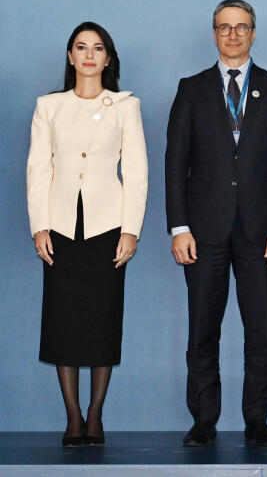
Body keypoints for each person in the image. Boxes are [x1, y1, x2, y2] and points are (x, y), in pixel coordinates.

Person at [165, 0, 267, 447]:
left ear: (253, 33)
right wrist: (179, 227)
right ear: (214, 34)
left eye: (242, 27)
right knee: (202, 330)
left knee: (261, 332)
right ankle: (204, 419)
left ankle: (257, 419)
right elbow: (175, 162)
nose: (233, 35)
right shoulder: (191, 89)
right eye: (225, 27)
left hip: (262, 233)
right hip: (203, 232)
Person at [27, 22, 148, 447]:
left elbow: (136, 171)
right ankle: (72, 416)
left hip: (107, 226)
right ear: (70, 56)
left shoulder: (125, 106)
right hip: (60, 226)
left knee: (102, 318)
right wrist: (39, 225)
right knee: (62, 319)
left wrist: (131, 230)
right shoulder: (49, 106)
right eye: (81, 47)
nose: (89, 55)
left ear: (108, 57)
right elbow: (38, 168)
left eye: (97, 48)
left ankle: (95, 415)